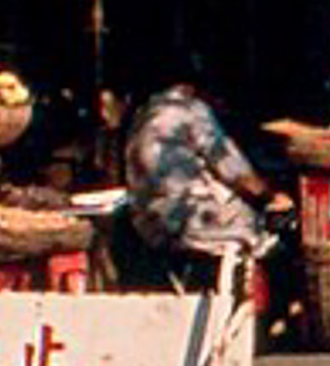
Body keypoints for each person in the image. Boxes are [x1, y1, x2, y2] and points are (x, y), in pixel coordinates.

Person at [113, 72, 279, 292]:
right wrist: (272, 195)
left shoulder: (145, 111)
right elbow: (234, 170)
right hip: (185, 221)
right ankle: (257, 310)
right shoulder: (192, 110)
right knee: (264, 233)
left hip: (147, 222)